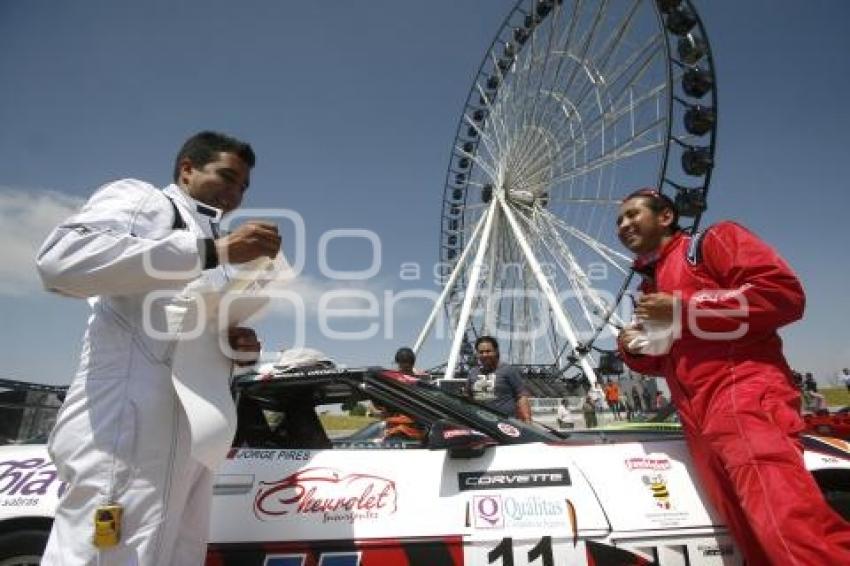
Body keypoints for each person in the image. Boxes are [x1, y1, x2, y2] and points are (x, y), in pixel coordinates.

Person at [36, 131, 282, 565]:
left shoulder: (213, 248)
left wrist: (236, 347)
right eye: (226, 176)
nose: (235, 192)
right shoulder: (146, 201)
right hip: (126, 430)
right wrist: (215, 250)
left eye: (243, 186)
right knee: (106, 557)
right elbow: (62, 261)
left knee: (173, 555)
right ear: (187, 168)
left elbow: (189, 331)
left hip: (194, 436)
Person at [615, 188, 850, 564]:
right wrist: (633, 347)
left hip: (742, 392)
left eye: (632, 214)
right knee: (748, 536)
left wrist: (683, 308)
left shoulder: (713, 241)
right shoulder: (650, 285)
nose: (623, 225)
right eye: (619, 220)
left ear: (665, 217)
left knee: (787, 527)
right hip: (695, 417)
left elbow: (782, 294)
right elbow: (663, 359)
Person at [466, 336, 531, 422]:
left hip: (506, 424)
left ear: (496, 352)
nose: (484, 355)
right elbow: (468, 397)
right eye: (481, 352)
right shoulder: (473, 372)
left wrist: (527, 420)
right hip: (481, 423)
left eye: (488, 351)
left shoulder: (508, 370)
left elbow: (521, 397)